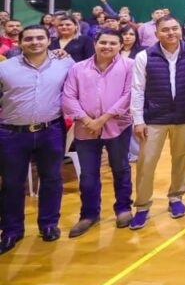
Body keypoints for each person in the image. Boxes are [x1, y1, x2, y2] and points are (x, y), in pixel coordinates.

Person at [0, 26, 74, 253]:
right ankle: (11, 231)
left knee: (52, 179)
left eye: (40, 38)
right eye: (29, 39)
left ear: (49, 40)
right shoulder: (5, 68)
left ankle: (49, 225)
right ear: (19, 42)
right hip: (12, 133)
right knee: (12, 183)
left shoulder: (65, 63)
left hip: (50, 130)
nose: (35, 42)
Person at [128, 16, 185, 230]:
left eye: (174, 28)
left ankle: (176, 197)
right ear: (156, 33)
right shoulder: (144, 56)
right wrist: (138, 120)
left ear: (181, 30)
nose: (171, 33)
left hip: (183, 117)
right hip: (154, 119)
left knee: (180, 159)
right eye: (165, 30)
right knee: (146, 163)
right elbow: (137, 90)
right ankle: (142, 206)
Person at [60, 30, 133, 237]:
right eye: (103, 42)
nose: (107, 46)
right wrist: (87, 121)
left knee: (120, 168)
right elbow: (68, 97)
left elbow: (129, 95)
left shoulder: (129, 66)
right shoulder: (78, 68)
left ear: (120, 46)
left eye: (113, 43)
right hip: (85, 128)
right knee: (88, 174)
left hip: (117, 126)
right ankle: (89, 214)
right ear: (95, 43)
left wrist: (102, 119)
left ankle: (123, 209)